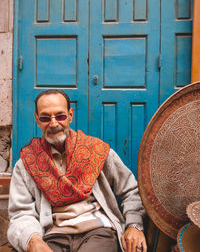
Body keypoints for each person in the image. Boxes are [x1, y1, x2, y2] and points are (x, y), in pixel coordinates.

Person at [7, 89, 147, 252]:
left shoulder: (96, 151)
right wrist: (32, 240)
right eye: (45, 118)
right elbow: (20, 213)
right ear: (37, 119)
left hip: (98, 232)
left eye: (60, 116)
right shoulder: (26, 163)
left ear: (70, 115)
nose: (53, 124)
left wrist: (134, 225)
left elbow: (131, 191)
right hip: (52, 236)